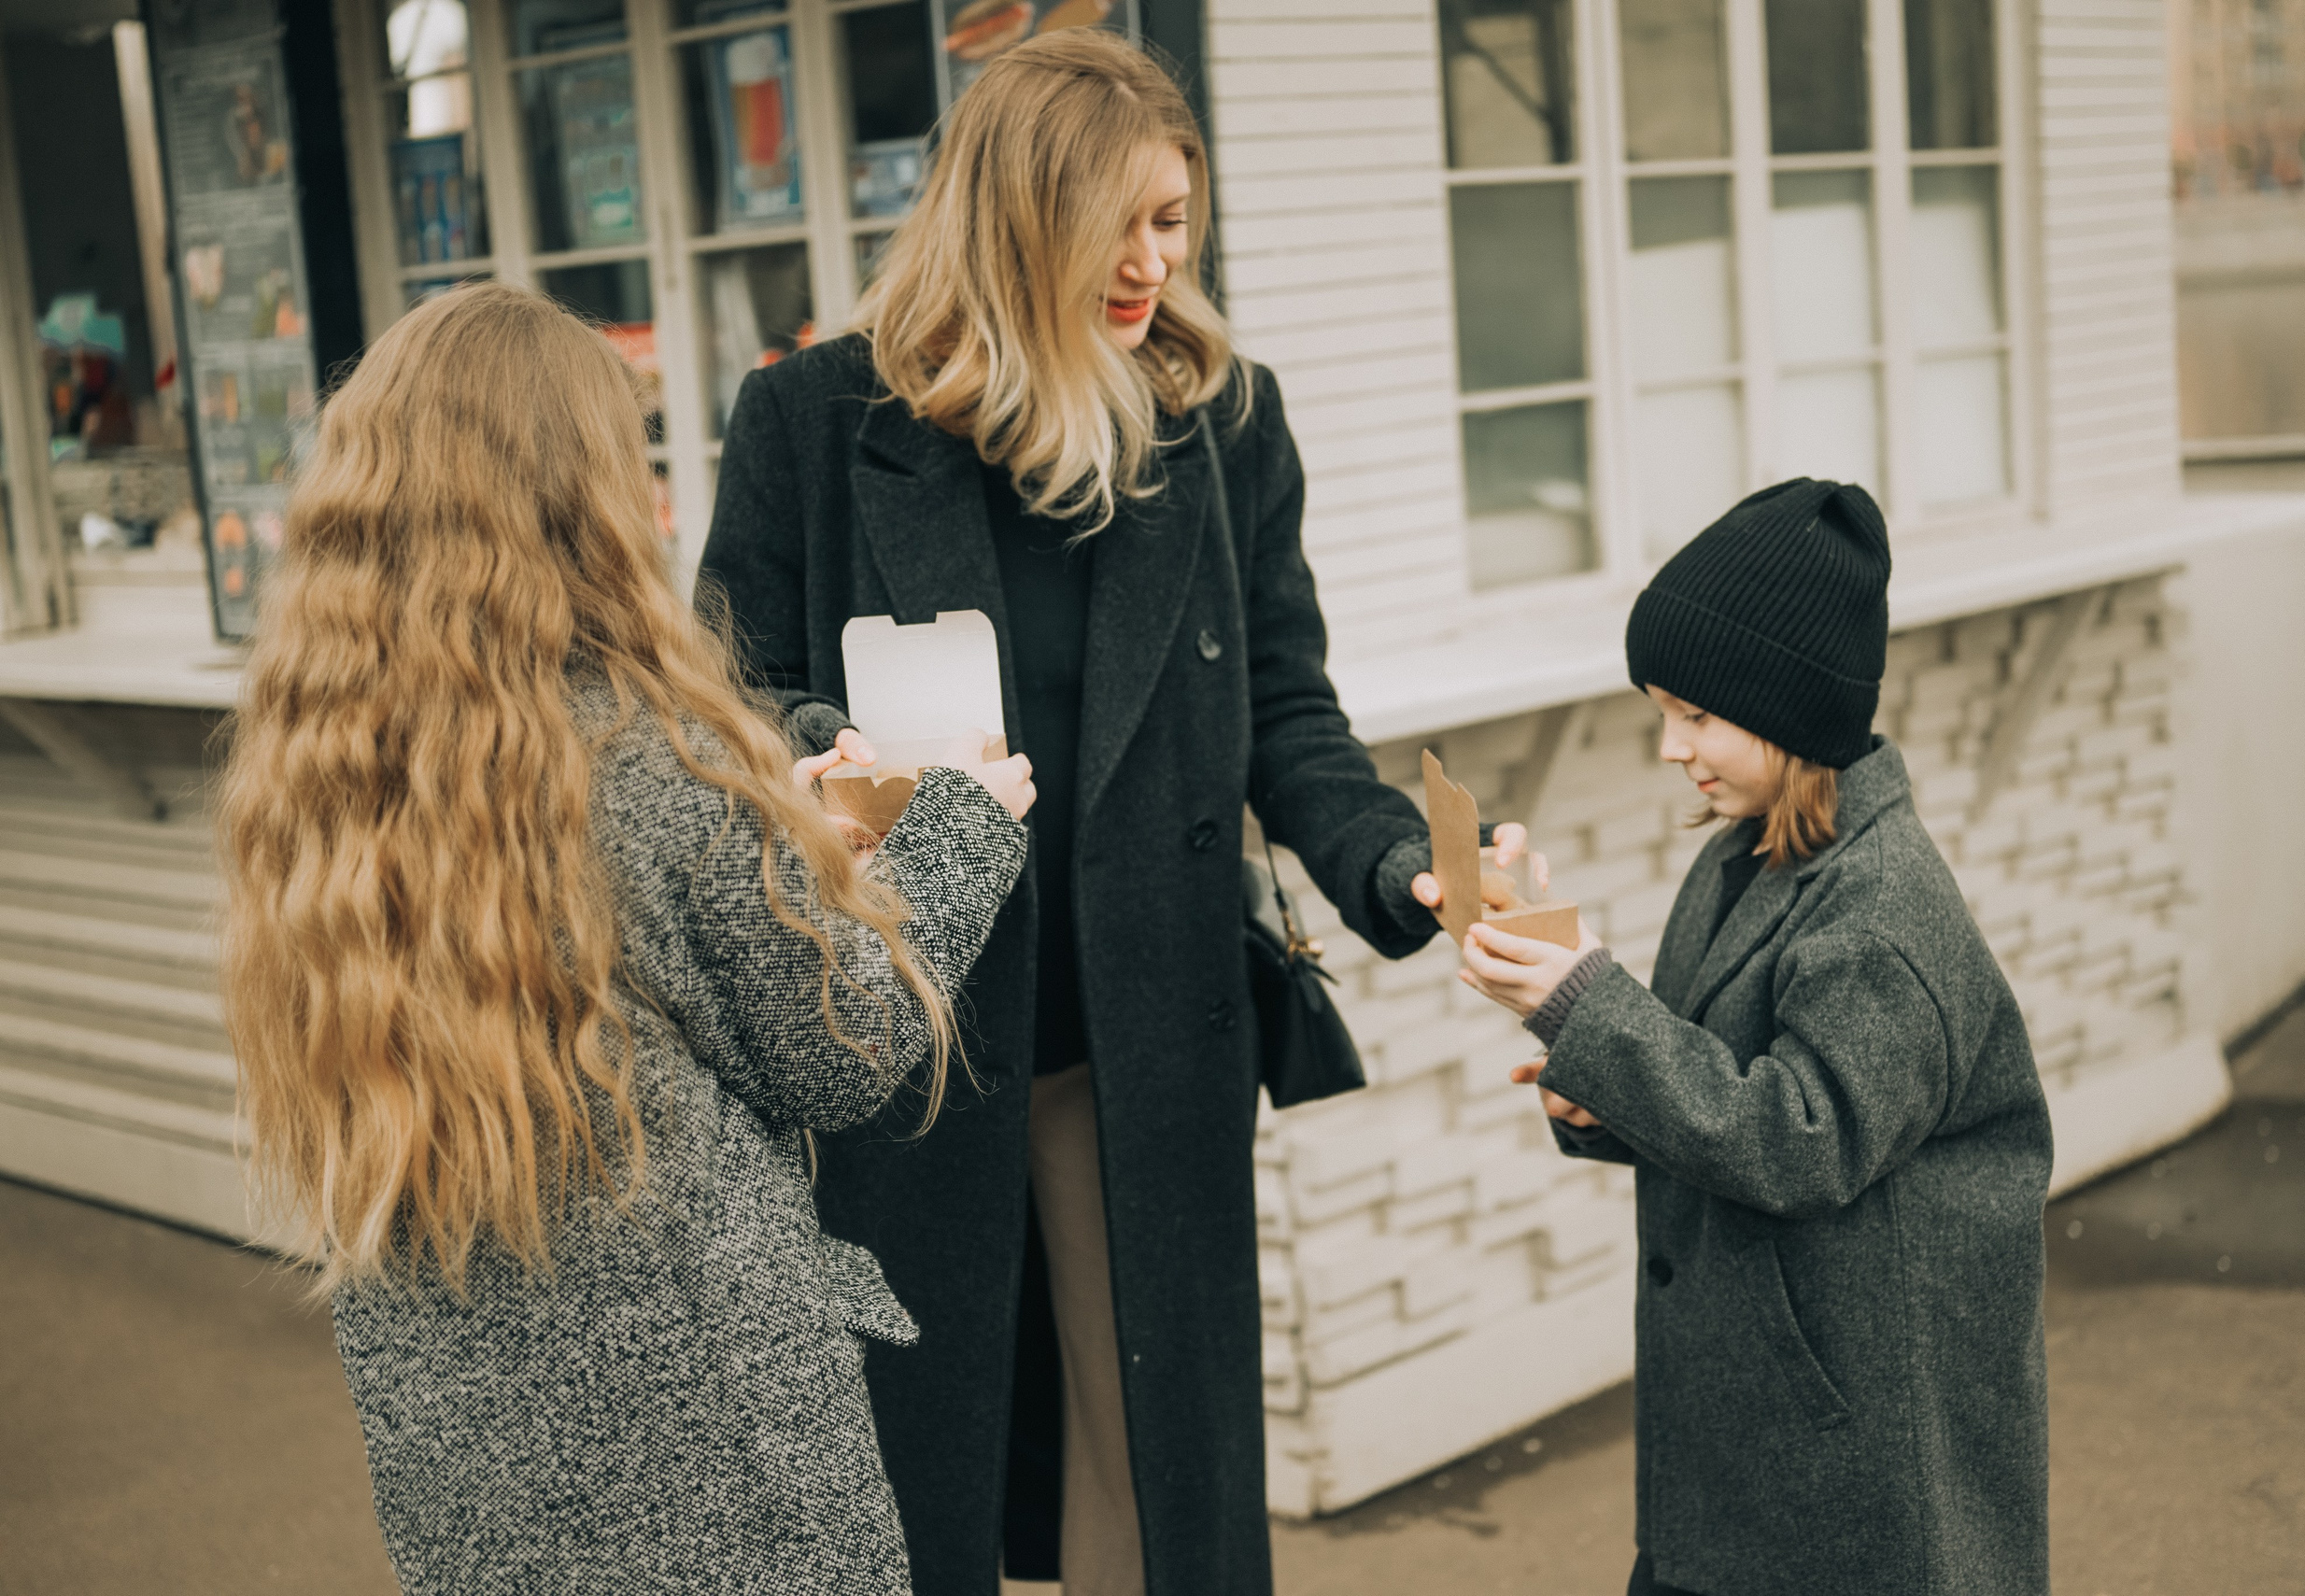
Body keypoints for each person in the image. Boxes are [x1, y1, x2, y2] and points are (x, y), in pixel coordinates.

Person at [699, 30, 1536, 1596]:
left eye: (1177, 218)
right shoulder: (814, 422)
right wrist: (836, 756)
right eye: (1120, 225)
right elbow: (724, 699)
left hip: (1139, 1045)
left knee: (1152, 1478)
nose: (1156, 262)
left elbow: (1287, 710)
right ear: (1016, 218)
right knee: (901, 1482)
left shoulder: (1222, 425)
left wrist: (1398, 859)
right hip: (900, 1041)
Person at [216, 282, 1034, 1594]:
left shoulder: (320, 778)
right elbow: (842, 1049)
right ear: (575, 492)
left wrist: (781, 831)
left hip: (469, 1456)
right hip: (715, 1454)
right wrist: (958, 834)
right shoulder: (644, 754)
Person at [1458, 480, 2054, 1596]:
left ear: (1788, 706)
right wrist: (1603, 1096)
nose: (1671, 748)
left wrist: (1590, 1005)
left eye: (1696, 715)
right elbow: (1723, 1084)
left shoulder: (1883, 912)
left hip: (1858, 1464)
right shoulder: (1743, 857)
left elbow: (1799, 1139)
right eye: (1661, 712)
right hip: (1756, 1441)